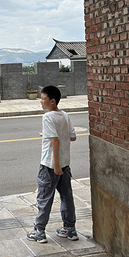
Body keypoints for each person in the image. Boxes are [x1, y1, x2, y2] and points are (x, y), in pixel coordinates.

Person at [27, 85, 79, 243]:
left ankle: (40, 231)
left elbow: (55, 140)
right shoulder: (64, 115)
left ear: (52, 101)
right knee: (66, 197)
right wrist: (48, 135)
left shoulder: (47, 117)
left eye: (43, 99)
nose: (41, 102)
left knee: (44, 198)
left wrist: (55, 166)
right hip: (65, 165)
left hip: (50, 165)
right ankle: (70, 229)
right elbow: (72, 137)